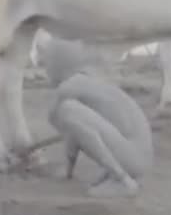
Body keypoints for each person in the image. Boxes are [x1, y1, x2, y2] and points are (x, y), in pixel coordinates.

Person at [44, 37, 154, 198]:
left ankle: (121, 180)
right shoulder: (88, 80)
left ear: (58, 62)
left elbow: (56, 116)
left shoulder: (71, 85)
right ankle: (116, 174)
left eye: (47, 61)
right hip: (138, 155)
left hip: (135, 155)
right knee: (72, 113)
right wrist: (67, 170)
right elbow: (74, 130)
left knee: (67, 110)